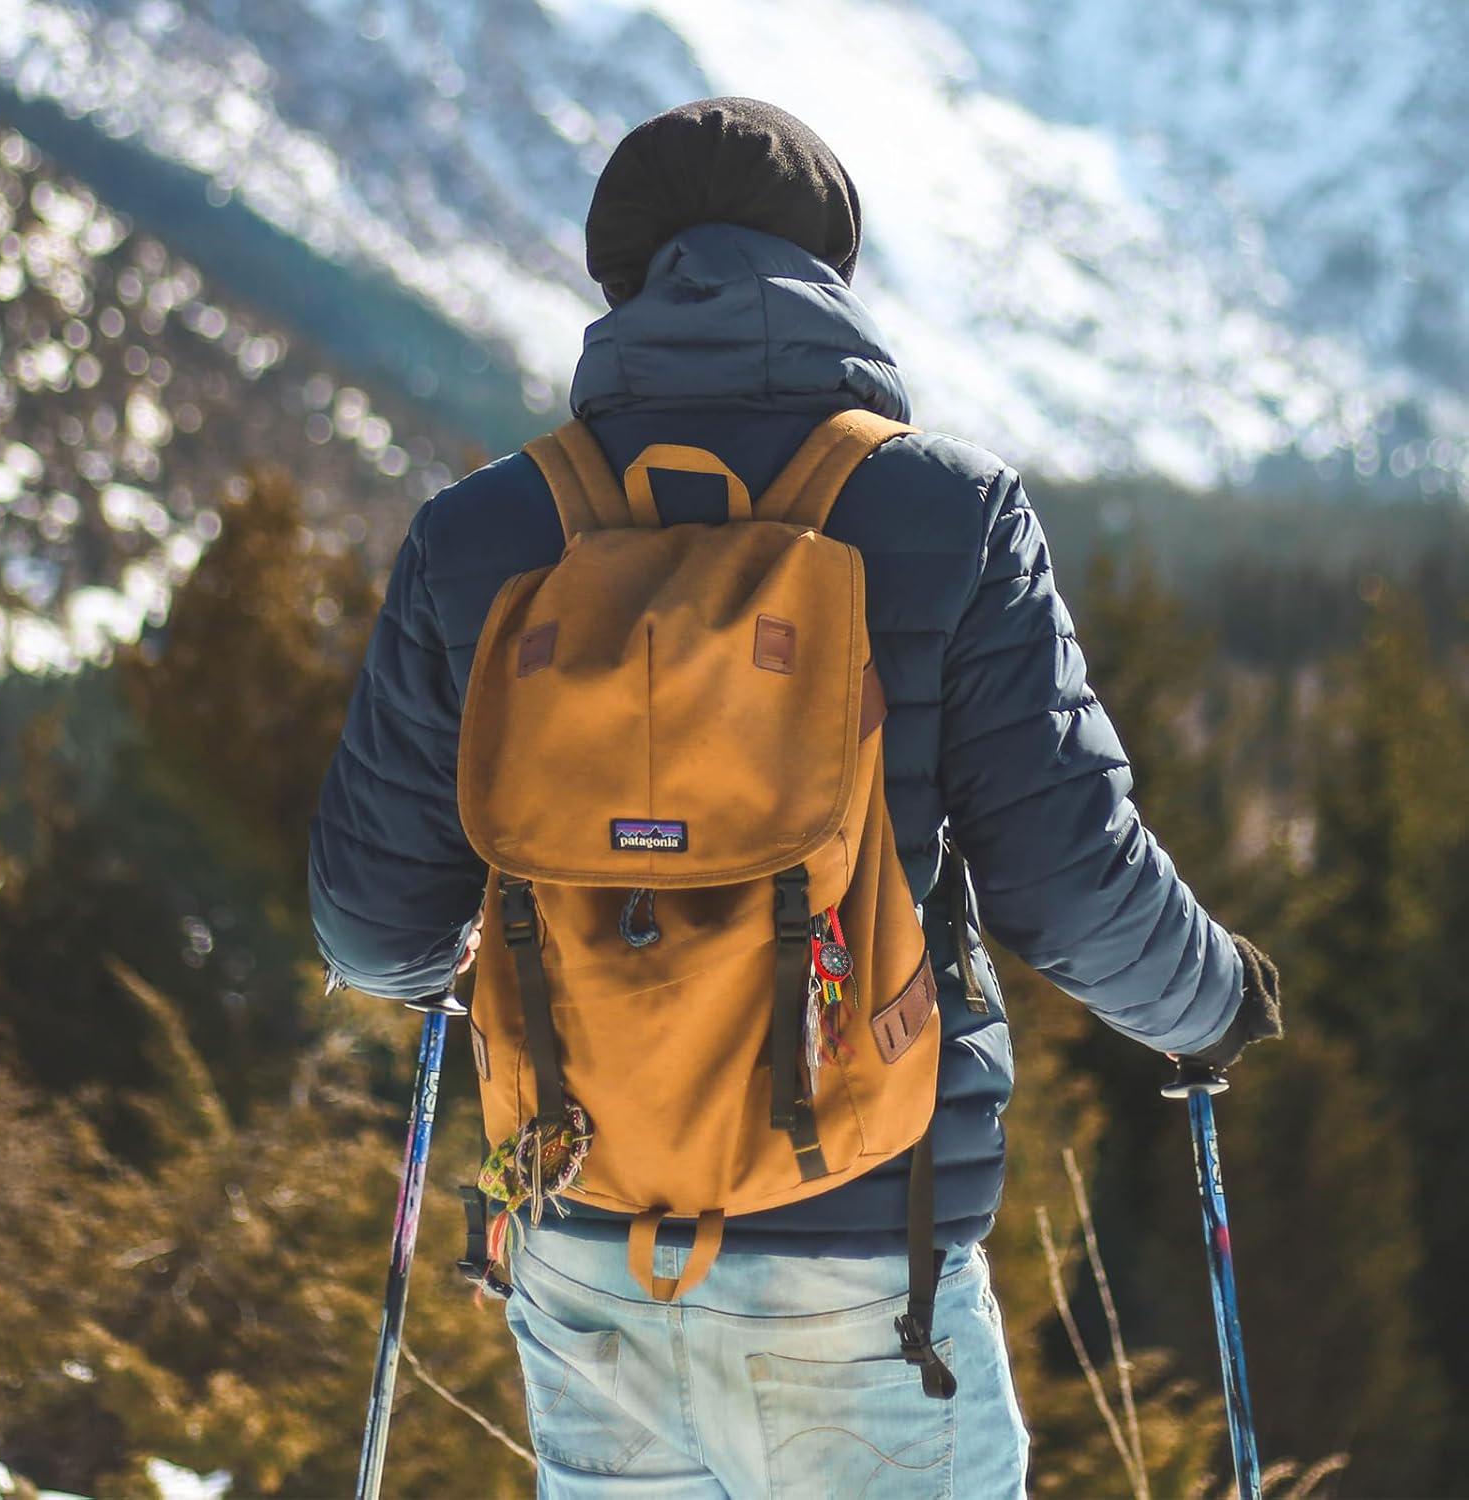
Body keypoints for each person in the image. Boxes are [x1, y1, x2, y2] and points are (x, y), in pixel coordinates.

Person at [309, 97, 1281, 1499]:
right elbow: (1069, 882)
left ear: (620, 277)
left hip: (587, 1243)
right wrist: (1211, 1006)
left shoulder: (484, 535)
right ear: (829, 271)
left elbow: (369, 927)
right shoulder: (948, 514)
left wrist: (463, 961)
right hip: (864, 1257)